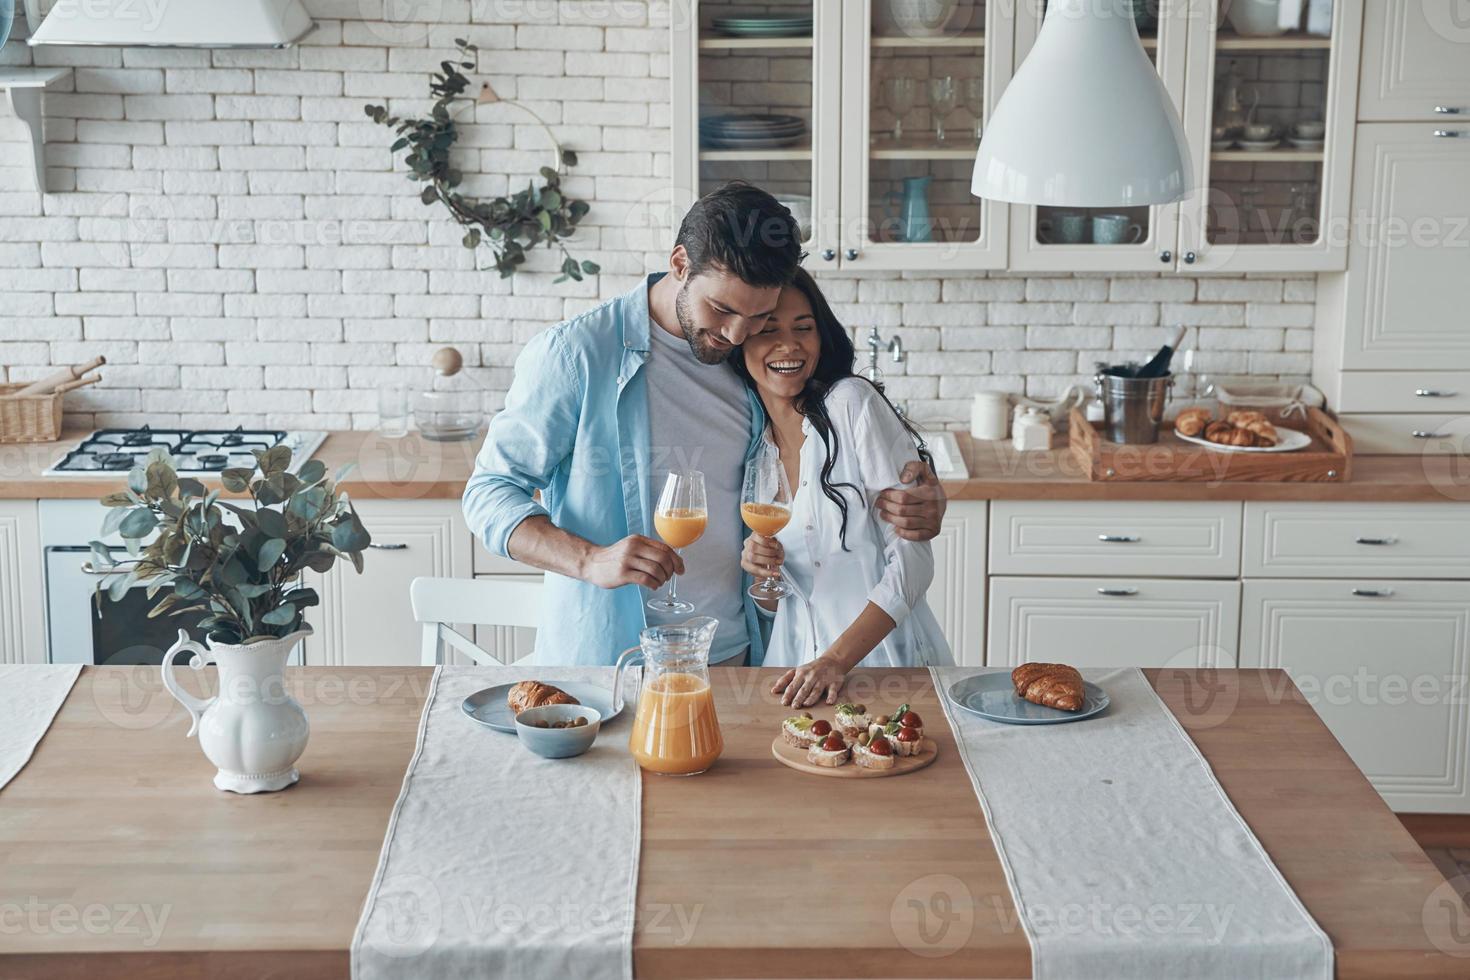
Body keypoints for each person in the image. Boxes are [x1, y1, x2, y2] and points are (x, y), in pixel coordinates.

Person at [462, 181, 948, 666]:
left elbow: (825, 456)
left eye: (758, 316)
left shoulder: (750, 360)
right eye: (721, 309)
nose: (736, 333)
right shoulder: (576, 356)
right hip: (616, 662)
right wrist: (590, 559)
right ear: (680, 264)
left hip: (739, 655)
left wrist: (918, 501)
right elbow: (488, 494)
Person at [735, 268, 953, 706]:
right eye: (768, 329)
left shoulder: (852, 404)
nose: (789, 345)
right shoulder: (757, 450)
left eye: (804, 328)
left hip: (885, 666)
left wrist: (836, 659)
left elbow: (913, 562)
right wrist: (764, 577)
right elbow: (787, 602)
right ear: (741, 341)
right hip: (796, 672)